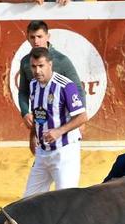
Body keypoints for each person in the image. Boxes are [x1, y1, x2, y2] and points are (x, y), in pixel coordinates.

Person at [23, 46, 88, 197]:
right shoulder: (33, 85)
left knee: (65, 201)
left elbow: (82, 117)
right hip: (43, 152)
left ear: (50, 65)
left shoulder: (65, 85)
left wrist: (59, 131)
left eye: (41, 66)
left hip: (64, 152)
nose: (37, 71)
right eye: (33, 66)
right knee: (29, 199)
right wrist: (33, 135)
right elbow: (38, 113)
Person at [17, 20, 84, 154]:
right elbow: (24, 91)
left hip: (62, 122)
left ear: (48, 37)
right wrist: (25, 112)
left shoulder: (61, 60)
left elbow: (77, 88)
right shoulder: (25, 61)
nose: (36, 41)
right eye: (32, 37)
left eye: (40, 36)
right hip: (40, 119)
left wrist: (81, 121)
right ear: (27, 38)